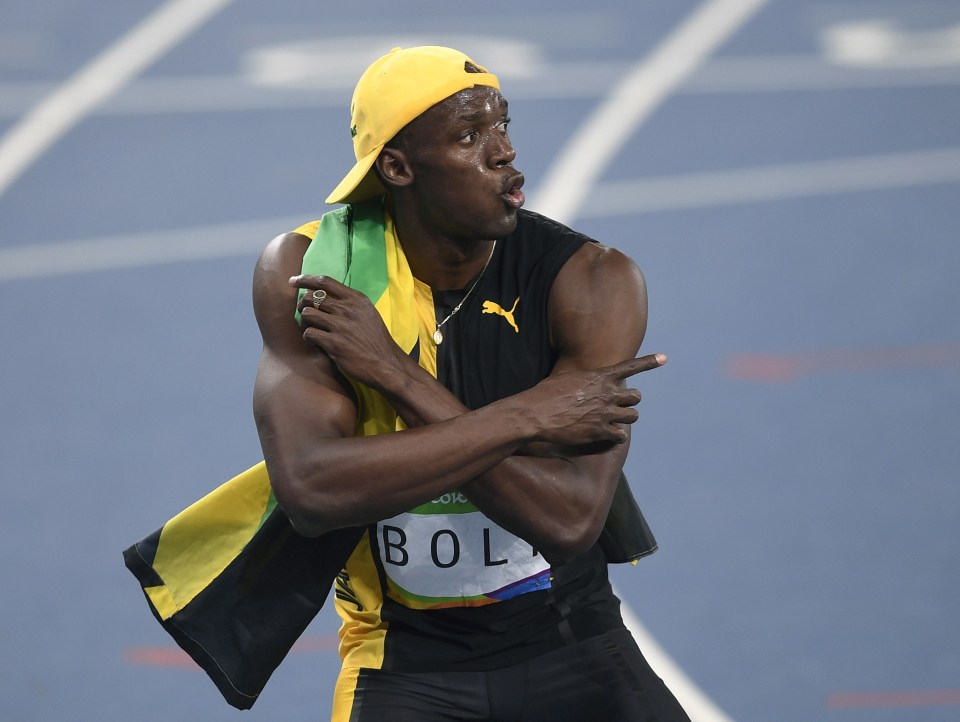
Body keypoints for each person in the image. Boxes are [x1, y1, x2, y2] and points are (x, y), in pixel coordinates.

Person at [251, 45, 689, 722]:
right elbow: (311, 489)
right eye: (468, 135)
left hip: (574, 644)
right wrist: (533, 415)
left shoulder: (591, 281)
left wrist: (396, 374)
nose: (505, 152)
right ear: (396, 167)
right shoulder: (316, 272)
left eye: (503, 125)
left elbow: (569, 520)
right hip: (401, 664)